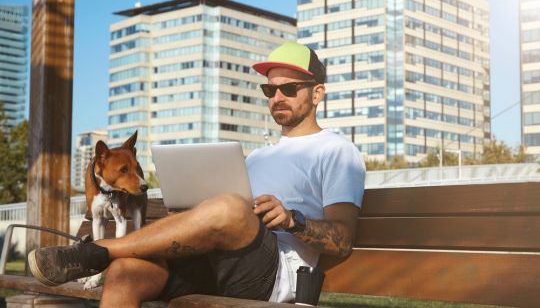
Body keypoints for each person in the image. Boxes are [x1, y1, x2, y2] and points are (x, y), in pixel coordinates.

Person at [28, 41, 366, 306]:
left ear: (317, 92)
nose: (277, 97)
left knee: (231, 207)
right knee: (125, 273)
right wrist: (194, 216)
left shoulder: (336, 151)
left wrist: (292, 220)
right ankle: (107, 257)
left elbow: (343, 241)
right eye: (269, 90)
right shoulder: (259, 156)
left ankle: (95, 251)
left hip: (271, 275)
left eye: (288, 89)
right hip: (212, 258)